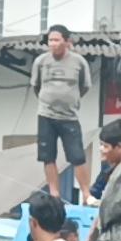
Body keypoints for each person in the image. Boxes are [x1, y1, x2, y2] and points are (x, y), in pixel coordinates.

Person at [31, 24, 93, 199]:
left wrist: (70, 99)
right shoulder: (41, 62)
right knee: (47, 156)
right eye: (50, 40)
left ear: (67, 42)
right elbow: (36, 86)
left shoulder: (79, 62)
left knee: (77, 156)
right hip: (46, 115)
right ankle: (54, 193)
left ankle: (86, 194)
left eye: (57, 40)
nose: (53, 43)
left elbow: (85, 86)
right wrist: (49, 99)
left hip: (69, 116)